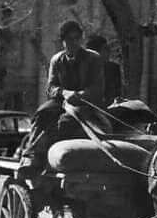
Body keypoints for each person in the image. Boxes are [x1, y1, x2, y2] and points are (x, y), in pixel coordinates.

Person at [18, 19, 105, 171]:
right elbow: (50, 87)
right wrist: (64, 93)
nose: (74, 42)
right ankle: (31, 155)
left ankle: (49, 155)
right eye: (69, 39)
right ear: (62, 41)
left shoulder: (93, 58)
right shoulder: (57, 60)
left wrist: (81, 95)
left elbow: (98, 87)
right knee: (41, 114)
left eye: (77, 38)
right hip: (62, 102)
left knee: (65, 123)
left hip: (87, 104)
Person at [84, 34, 124, 105]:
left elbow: (118, 92)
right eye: (105, 49)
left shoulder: (113, 68)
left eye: (108, 49)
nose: (109, 52)